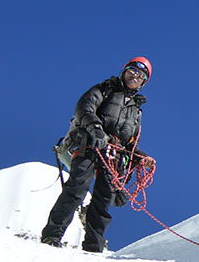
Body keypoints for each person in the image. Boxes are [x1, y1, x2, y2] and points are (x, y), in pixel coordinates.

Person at [41, 57, 156, 252]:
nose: (134, 76)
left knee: (103, 202)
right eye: (131, 71)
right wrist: (96, 129)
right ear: (124, 72)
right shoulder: (105, 89)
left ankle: (93, 248)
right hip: (89, 145)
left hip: (112, 157)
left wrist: (141, 157)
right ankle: (52, 236)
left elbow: (129, 144)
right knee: (77, 189)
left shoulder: (136, 111)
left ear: (143, 82)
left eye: (140, 75)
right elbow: (84, 108)